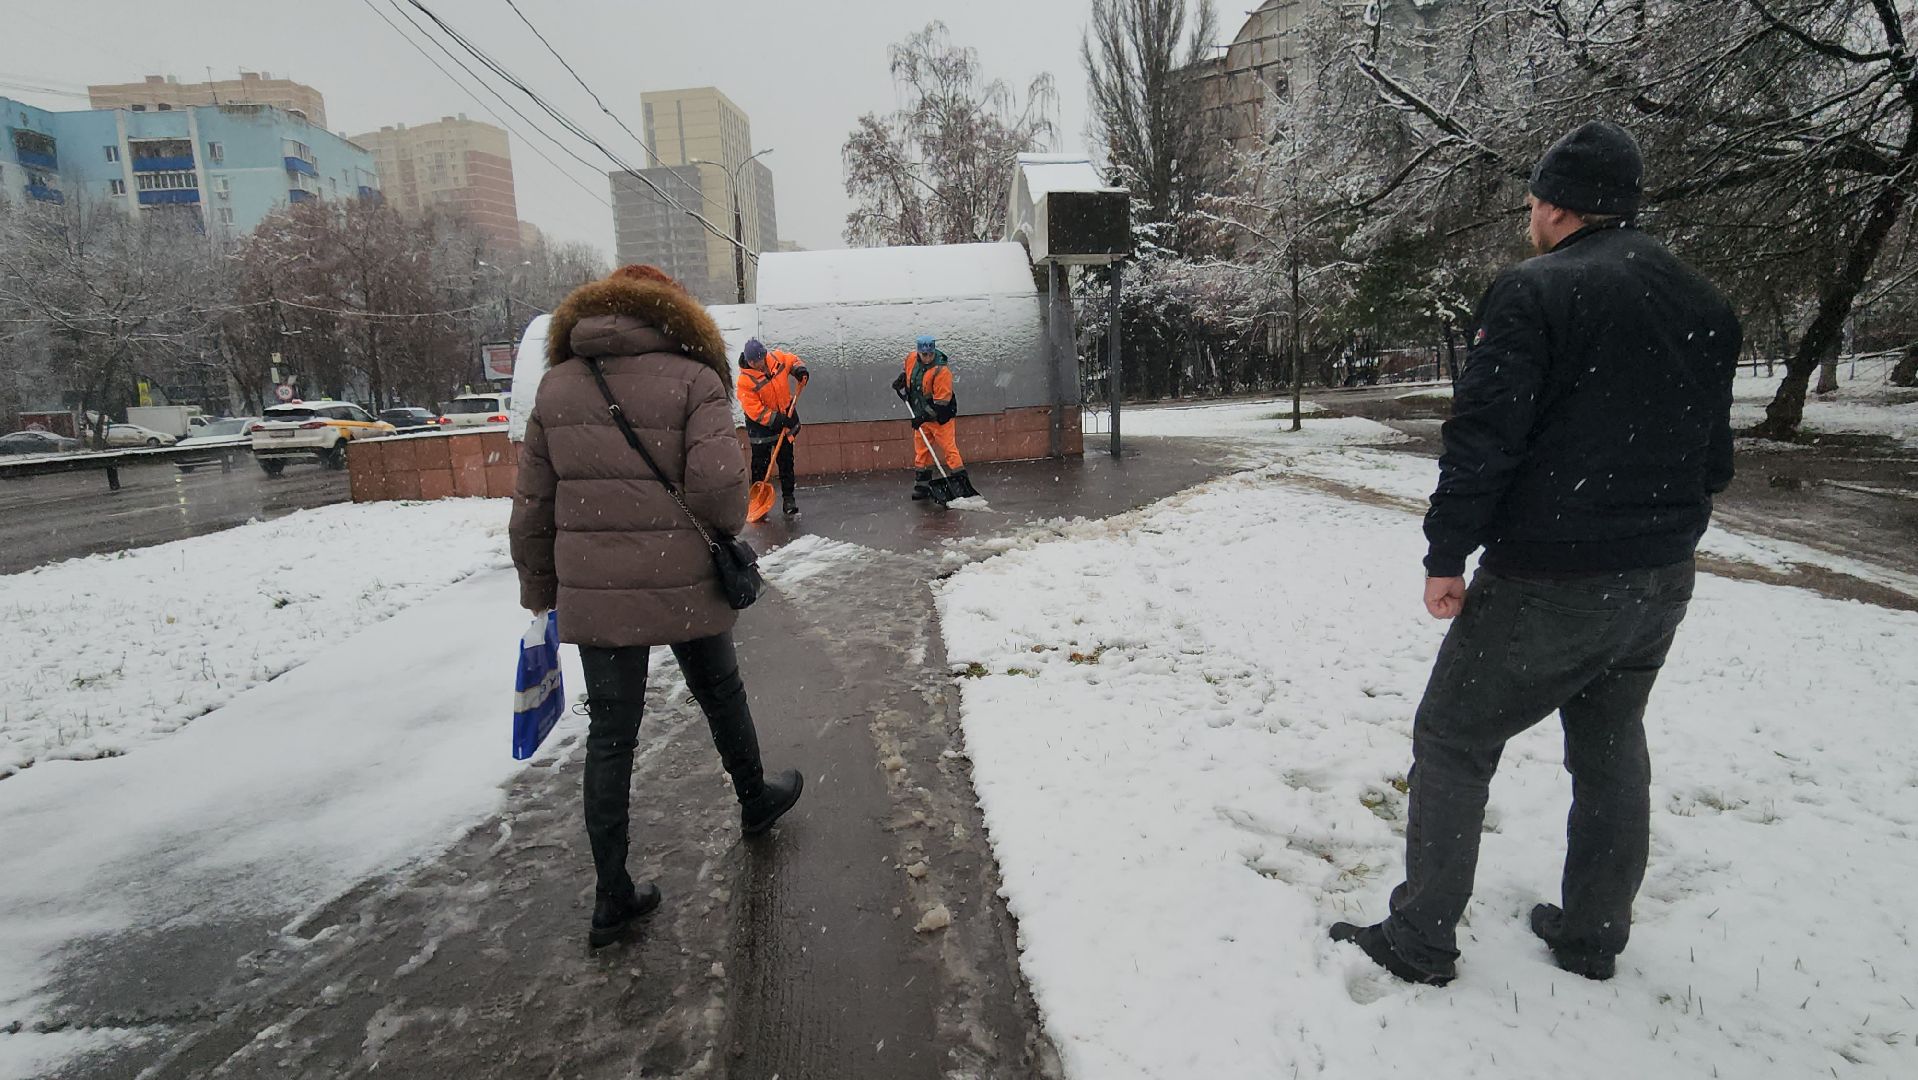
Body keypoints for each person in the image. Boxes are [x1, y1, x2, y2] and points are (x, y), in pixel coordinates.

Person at [1328, 121, 1741, 986]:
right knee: (1611, 743)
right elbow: (1714, 461)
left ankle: (1420, 939)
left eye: (1531, 202)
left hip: (1552, 576)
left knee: (1452, 737)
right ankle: (1592, 934)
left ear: (1554, 205)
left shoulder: (1534, 292)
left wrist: (1447, 554)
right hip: (1662, 579)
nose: (1529, 216)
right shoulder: (1704, 302)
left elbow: (1483, 439)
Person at [510, 264, 804, 950]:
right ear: (670, 312)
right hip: (684, 579)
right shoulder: (696, 379)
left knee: (612, 735)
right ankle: (754, 799)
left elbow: (532, 507)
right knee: (721, 692)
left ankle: (612, 895)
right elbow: (718, 492)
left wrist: (539, 592)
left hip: (595, 594)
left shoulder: (556, 386)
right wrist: (720, 530)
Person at [890, 334, 977, 501]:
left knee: (949, 450)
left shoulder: (941, 371)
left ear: (934, 351)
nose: (928, 357)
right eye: (924, 355)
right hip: (919, 413)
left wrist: (923, 417)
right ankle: (922, 486)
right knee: (922, 451)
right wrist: (902, 381)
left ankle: (961, 485)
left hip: (941, 417)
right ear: (918, 352)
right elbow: (908, 373)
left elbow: (941, 402)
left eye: (930, 354)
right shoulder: (910, 359)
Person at [736, 338, 809, 516]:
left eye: (763, 358)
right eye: (758, 361)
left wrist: (799, 369)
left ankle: (789, 499)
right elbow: (755, 411)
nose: (762, 364)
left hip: (784, 416)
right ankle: (758, 500)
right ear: (750, 361)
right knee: (760, 464)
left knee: (786, 461)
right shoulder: (745, 381)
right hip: (761, 427)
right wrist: (777, 419)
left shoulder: (775, 358)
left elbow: (791, 359)